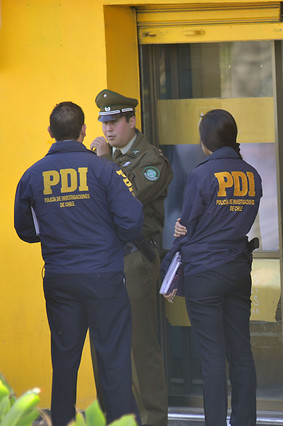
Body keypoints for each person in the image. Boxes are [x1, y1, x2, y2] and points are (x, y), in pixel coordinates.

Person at [14, 101, 143, 426]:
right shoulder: (105, 170)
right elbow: (132, 221)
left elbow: (25, 230)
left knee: (65, 363)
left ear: (50, 133)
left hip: (60, 279)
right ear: (84, 130)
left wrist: (57, 237)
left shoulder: (32, 175)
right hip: (104, 278)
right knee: (114, 362)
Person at [166, 109, 262, 426]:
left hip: (205, 271)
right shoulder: (252, 175)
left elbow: (189, 223)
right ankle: (245, 420)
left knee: (211, 357)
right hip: (237, 268)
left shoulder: (202, 174)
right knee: (241, 352)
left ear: (206, 140)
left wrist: (182, 230)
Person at [89, 89, 172, 426]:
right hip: (101, 260)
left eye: (114, 121)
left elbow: (125, 197)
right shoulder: (99, 158)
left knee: (140, 345)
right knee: (104, 344)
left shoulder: (150, 160)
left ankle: (152, 418)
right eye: (104, 122)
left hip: (135, 257)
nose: (107, 129)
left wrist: (105, 160)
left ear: (131, 121)